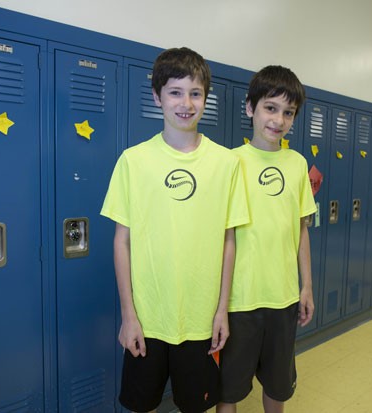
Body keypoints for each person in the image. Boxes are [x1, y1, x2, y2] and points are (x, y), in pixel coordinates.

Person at [101, 47, 249, 413]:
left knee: (195, 406)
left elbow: (229, 241)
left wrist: (221, 312)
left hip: (201, 321)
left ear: (205, 99)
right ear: (157, 97)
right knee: (141, 405)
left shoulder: (226, 163)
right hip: (147, 320)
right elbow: (122, 242)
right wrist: (129, 315)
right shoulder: (133, 161)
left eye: (195, 93)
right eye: (175, 92)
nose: (186, 103)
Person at [217, 65, 317, 413]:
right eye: (270, 108)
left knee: (278, 387)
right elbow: (221, 236)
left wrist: (306, 288)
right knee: (228, 391)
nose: (278, 120)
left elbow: (301, 228)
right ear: (250, 108)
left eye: (288, 113)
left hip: (283, 298)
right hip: (239, 301)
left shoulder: (297, 164)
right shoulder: (229, 162)